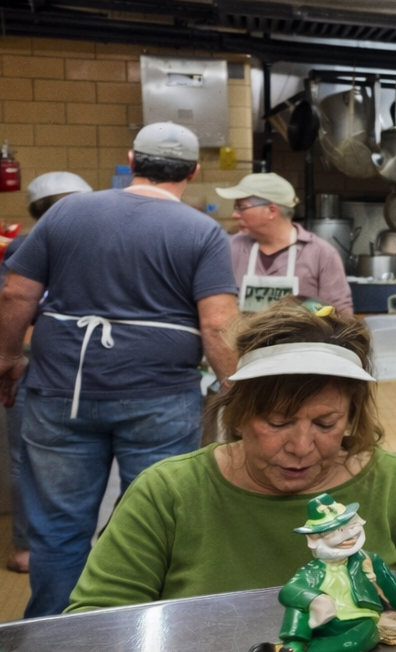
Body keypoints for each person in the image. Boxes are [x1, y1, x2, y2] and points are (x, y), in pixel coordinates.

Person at [66, 300, 396, 612]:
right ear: (237, 414)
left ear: (352, 417)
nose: (302, 447)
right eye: (277, 422)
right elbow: (95, 624)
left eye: (325, 424)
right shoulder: (168, 493)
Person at [0, 122, 239, 618]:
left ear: (131, 159)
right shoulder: (201, 231)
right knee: (152, 522)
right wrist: (238, 390)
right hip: (160, 398)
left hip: (60, 392)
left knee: (58, 530)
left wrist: (7, 359)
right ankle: (140, 634)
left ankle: (54, 646)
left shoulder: (67, 211)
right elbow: (217, 327)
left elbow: (15, 294)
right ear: (193, 172)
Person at [3, 172, 93, 575]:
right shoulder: (97, 246)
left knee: (29, 458)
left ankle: (28, 547)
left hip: (36, 362)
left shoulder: (24, 247)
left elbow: (11, 306)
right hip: (85, 366)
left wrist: (10, 357)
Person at [246, 493, 396, 652]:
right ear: (314, 539)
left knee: (351, 646)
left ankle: (290, 651)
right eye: (336, 532)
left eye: (351, 526)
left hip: (360, 620)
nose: (348, 535)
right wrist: (315, 599)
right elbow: (288, 591)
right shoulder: (312, 570)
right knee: (299, 603)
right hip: (323, 623)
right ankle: (293, 646)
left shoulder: (368, 561)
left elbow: (392, 587)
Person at [218, 172, 353, 316]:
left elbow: (339, 314)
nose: (235, 215)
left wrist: (309, 310)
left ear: (271, 211)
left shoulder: (321, 254)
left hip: (300, 338)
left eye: (241, 207)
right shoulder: (231, 248)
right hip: (243, 338)